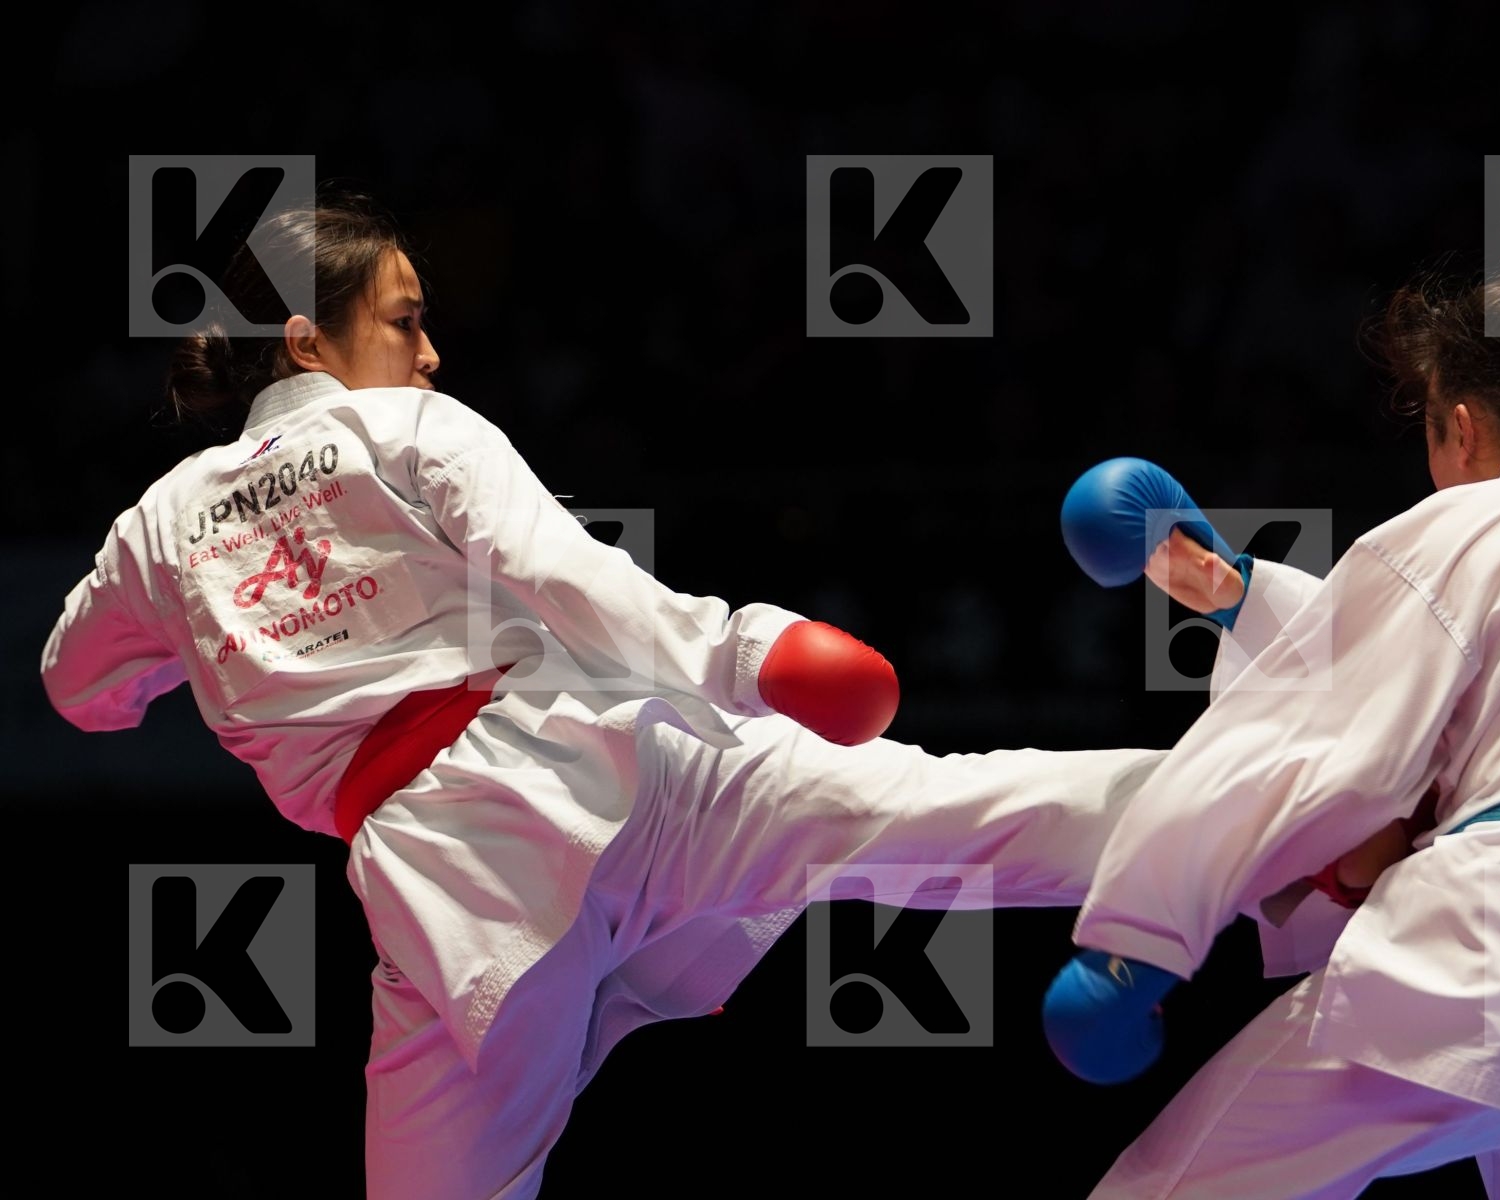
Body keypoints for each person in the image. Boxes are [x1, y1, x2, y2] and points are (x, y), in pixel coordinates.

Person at [43, 192, 1179, 1199]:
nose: (431, 354)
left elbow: (75, 685)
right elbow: (567, 577)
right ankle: (1269, 809)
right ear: (306, 340)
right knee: (936, 813)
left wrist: (177, 661)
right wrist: (750, 653)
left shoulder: (158, 525)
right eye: (404, 321)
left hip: (449, 883)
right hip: (617, 773)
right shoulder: (401, 423)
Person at [1041, 222, 1500, 1198]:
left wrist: (1139, 944)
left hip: (1497, 952)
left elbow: (1312, 740)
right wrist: (1225, 587)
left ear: (1460, 425)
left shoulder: (1478, 515)